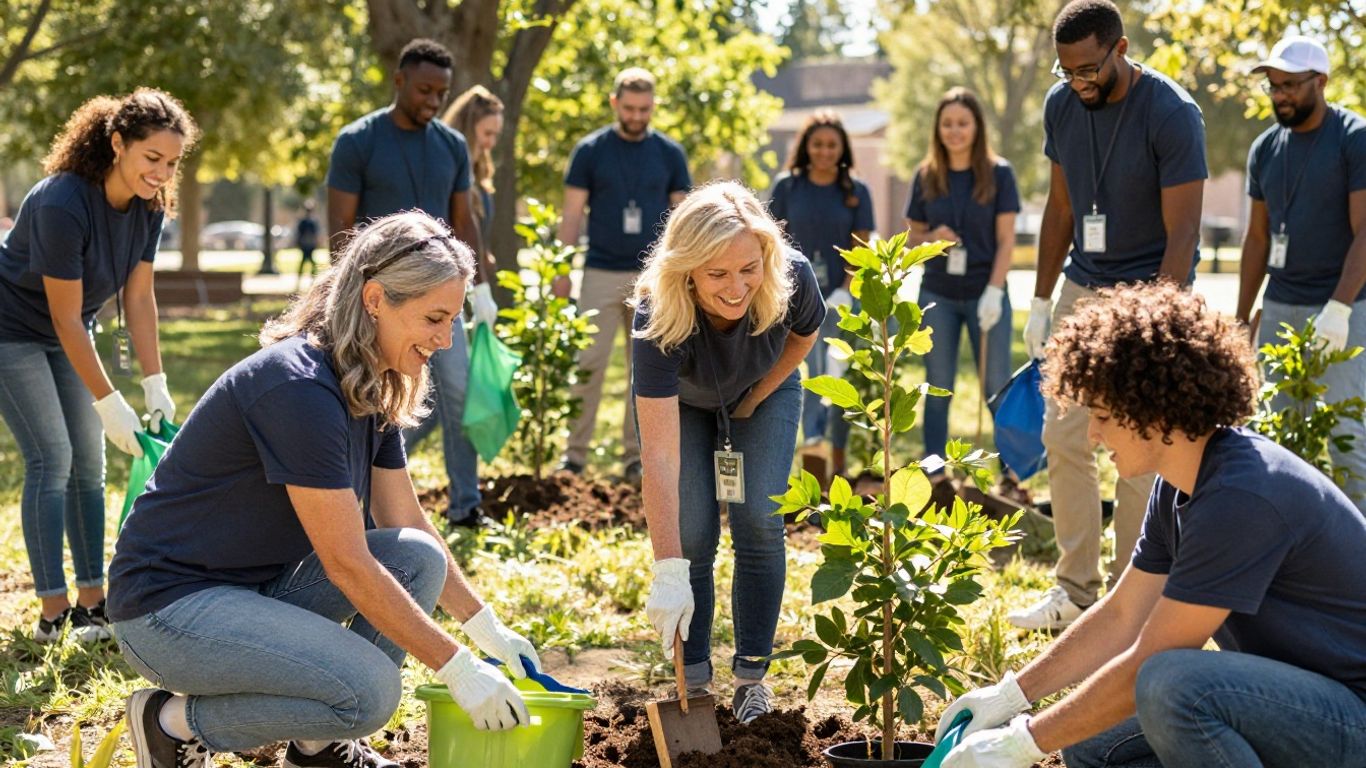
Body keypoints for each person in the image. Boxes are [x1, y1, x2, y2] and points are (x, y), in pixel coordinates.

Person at [109, 212, 538, 768]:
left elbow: (404, 519)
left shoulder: (370, 380)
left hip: (253, 589)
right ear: (377, 299)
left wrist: (487, 629)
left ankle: (319, 750)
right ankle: (170, 724)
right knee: (371, 693)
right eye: (435, 318)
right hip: (168, 610)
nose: (445, 339)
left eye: (452, 320)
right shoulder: (300, 389)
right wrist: (456, 665)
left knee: (415, 555)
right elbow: (346, 564)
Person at [934, 280, 1366, 768]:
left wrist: (1022, 744)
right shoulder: (1180, 482)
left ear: (1151, 410)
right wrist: (1011, 698)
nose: (1093, 435)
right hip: (1300, 704)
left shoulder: (1242, 495)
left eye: (1101, 416)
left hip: (1353, 716)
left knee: (1170, 685)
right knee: (1088, 742)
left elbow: (1150, 658)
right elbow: (1123, 614)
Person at [1010, 0, 1207, 631]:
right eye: (1067, 71)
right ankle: (1074, 589)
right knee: (1063, 435)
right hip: (1083, 284)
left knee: (1136, 447)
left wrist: (1158, 327)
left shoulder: (1173, 114)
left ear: (1120, 50)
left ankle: (1130, 596)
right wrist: (1043, 300)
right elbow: (1060, 207)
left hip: (1151, 289)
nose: (1079, 83)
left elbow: (1184, 234)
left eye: (1090, 70)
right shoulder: (1062, 104)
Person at [0, 88, 196, 644]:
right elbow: (63, 318)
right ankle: (52, 611)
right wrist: (109, 400)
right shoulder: (63, 202)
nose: (161, 173)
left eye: (172, 162)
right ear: (117, 144)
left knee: (89, 463)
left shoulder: (150, 208)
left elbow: (138, 299)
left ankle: (91, 603)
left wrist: (153, 382)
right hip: (11, 330)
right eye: (151, 158)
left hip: (69, 329)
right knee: (52, 457)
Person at [634, 182, 824, 724]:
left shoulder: (793, 278)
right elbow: (660, 458)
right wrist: (667, 569)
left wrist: (755, 398)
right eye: (717, 274)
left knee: (761, 521)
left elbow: (805, 337)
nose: (737, 287)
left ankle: (751, 680)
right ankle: (693, 678)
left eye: (748, 268)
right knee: (692, 534)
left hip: (764, 392)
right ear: (687, 270)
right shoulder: (658, 312)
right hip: (685, 407)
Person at [326, 38, 495, 527]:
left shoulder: (451, 145)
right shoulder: (357, 141)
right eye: (424, 90)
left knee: (459, 396)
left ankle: (465, 505)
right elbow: (342, 229)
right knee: (372, 401)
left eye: (441, 93)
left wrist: (479, 289)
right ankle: (364, 510)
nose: (433, 101)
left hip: (443, 301)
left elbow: (465, 221)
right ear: (398, 81)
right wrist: (351, 306)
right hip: (382, 300)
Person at [1236, 34, 1366, 512]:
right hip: (1281, 305)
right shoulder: (1265, 148)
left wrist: (1339, 307)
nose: (1280, 95)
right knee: (1275, 433)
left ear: (1321, 82)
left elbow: (1365, 231)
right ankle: (1292, 555)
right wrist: (1240, 316)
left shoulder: (1354, 138)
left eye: (1290, 85)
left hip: (1345, 305)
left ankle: (1359, 565)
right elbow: (1256, 240)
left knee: (1345, 433)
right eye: (1273, 85)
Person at [556, 67, 692, 481]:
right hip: (599, 269)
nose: (637, 116)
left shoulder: (670, 154)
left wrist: (682, 271)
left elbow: (682, 217)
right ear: (615, 104)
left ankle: (637, 457)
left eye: (645, 109)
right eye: (629, 108)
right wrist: (561, 269)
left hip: (652, 277)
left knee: (646, 371)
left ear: (654, 107)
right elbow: (572, 215)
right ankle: (574, 455)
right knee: (588, 365)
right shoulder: (590, 150)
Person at [905, 87, 1020, 469]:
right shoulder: (926, 176)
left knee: (996, 387)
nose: (955, 131)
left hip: (985, 291)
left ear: (977, 127)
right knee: (938, 386)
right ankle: (933, 469)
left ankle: (1009, 473)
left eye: (963, 123)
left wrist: (994, 290)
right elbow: (909, 239)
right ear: (937, 129)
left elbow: (1006, 242)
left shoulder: (999, 174)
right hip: (938, 293)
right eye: (947, 124)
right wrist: (932, 238)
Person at [767, 110, 874, 477]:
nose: (825, 152)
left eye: (832, 145)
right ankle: (813, 452)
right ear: (806, 146)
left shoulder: (856, 192)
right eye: (817, 144)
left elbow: (861, 246)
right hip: (796, 298)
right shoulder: (787, 187)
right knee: (808, 375)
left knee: (840, 377)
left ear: (842, 147)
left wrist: (845, 291)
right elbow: (773, 240)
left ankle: (838, 459)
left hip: (842, 299)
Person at [444, 85, 505, 250]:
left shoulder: (481, 171)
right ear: (468, 128)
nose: (491, 143)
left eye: (496, 135)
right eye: (487, 133)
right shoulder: (446, 167)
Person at [295, 198, 321, 291]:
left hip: (308, 244)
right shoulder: (306, 222)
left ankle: (313, 279)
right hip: (306, 244)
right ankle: (311, 279)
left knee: (308, 262)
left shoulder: (310, 221)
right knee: (307, 262)